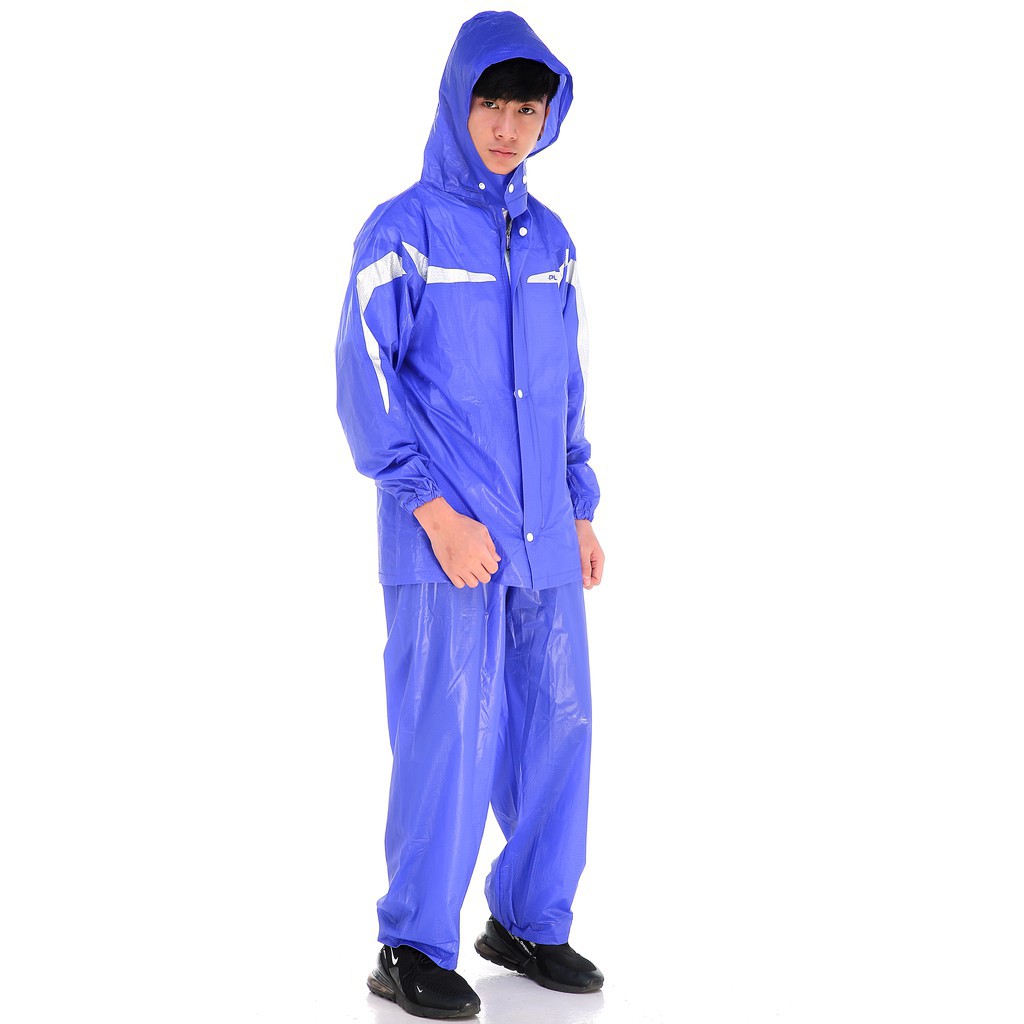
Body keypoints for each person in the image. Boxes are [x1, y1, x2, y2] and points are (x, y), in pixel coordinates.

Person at [334, 10, 605, 1019]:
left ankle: (528, 920)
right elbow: (364, 378)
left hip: (542, 528)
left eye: (526, 109)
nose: (506, 126)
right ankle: (410, 944)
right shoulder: (399, 231)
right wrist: (430, 508)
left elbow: (565, 379)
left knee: (560, 725)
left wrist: (579, 501)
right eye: (491, 103)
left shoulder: (552, 241)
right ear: (458, 102)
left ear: (547, 118)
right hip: (448, 534)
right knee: (449, 730)